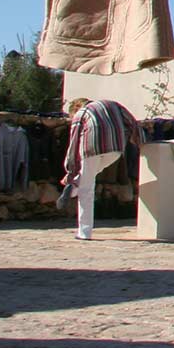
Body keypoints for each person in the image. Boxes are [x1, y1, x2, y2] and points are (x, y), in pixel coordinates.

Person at [61, 97, 141, 241]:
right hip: (116, 149)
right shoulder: (112, 104)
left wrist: (70, 170)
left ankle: (84, 232)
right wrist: (140, 141)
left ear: (76, 108)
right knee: (90, 175)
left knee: (86, 189)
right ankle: (74, 184)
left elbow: (74, 143)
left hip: (90, 149)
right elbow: (132, 122)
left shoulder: (81, 113)